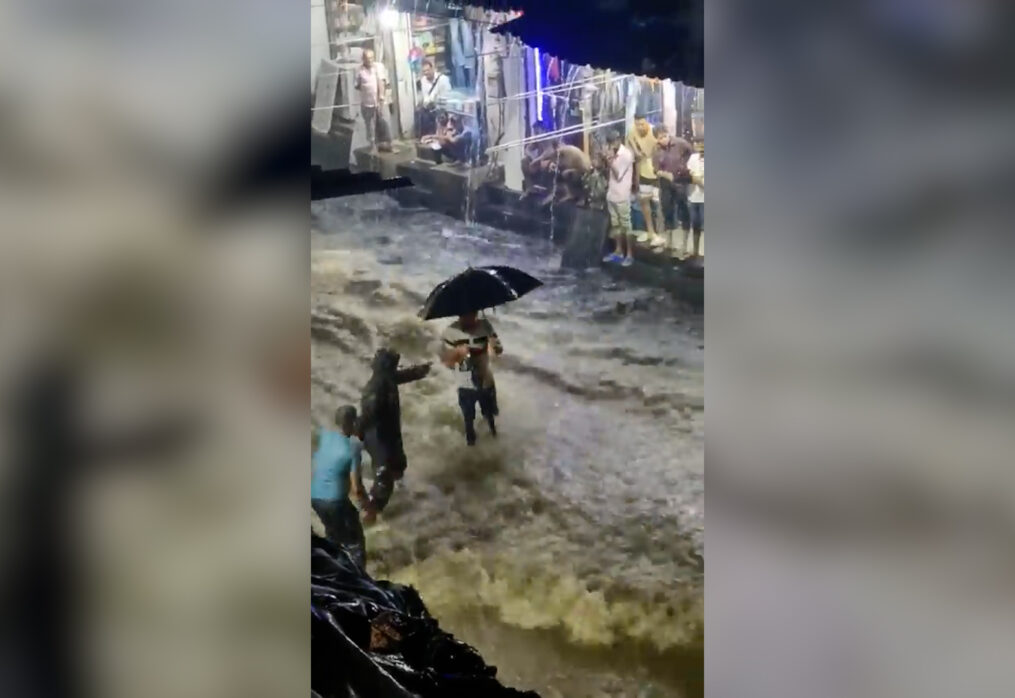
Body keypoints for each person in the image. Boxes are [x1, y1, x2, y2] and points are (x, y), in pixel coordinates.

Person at [358, 348, 431, 523]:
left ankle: (401, 501)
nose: (396, 369)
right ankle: (369, 516)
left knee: (398, 466)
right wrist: (355, 432)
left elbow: (401, 376)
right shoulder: (376, 388)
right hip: (378, 439)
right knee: (384, 479)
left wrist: (420, 371)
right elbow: (367, 417)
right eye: (394, 365)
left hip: (389, 435)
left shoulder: (385, 379)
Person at [312, 406, 368, 568]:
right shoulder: (353, 447)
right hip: (335, 501)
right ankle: (361, 582)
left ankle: (332, 572)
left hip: (315, 498)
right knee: (355, 543)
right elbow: (356, 488)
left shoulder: (325, 436)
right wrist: (366, 504)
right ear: (353, 423)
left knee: (334, 538)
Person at [439, 312, 503, 446]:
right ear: (459, 314)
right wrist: (458, 353)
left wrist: (494, 346)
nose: (468, 317)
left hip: (486, 381)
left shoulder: (485, 325)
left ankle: (496, 446)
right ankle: (471, 451)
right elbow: (446, 362)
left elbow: (498, 349)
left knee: (490, 417)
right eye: (464, 314)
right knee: (469, 422)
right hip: (465, 385)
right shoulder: (450, 332)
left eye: (472, 313)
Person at [652, 125, 693, 256]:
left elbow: (691, 153)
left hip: (680, 184)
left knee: (683, 212)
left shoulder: (680, 143)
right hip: (665, 185)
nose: (663, 139)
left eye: (664, 136)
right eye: (660, 138)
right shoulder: (656, 150)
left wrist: (684, 167)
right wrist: (664, 174)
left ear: (668, 134)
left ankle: (685, 245)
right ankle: (669, 244)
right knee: (667, 212)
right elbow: (655, 169)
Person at [627, 114, 664, 247]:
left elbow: (661, 151)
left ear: (646, 122)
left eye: (642, 124)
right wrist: (636, 177)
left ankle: (661, 234)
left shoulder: (654, 132)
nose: (640, 127)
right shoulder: (632, 132)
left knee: (658, 204)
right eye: (637, 124)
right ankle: (650, 232)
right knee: (644, 203)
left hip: (657, 173)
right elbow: (633, 152)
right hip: (643, 172)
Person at [602, 129, 636, 267]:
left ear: (618, 140)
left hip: (622, 195)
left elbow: (618, 174)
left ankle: (629, 255)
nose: (611, 145)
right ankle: (618, 251)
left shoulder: (626, 155)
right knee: (615, 226)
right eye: (609, 142)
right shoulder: (613, 153)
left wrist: (609, 160)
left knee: (626, 226)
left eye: (613, 142)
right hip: (612, 194)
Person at [356, 49, 392, 153]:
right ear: (363, 59)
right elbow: (357, 85)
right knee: (370, 124)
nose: (370, 60)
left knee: (385, 121)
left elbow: (382, 82)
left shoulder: (379, 67)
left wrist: (381, 98)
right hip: (367, 102)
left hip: (381, 101)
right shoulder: (359, 70)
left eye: (371, 58)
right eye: (367, 58)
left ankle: (389, 144)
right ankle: (373, 145)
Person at [542, 139, 592, 205]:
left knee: (567, 173)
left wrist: (569, 170)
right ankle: (562, 193)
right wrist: (551, 164)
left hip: (583, 173)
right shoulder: (560, 154)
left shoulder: (571, 151)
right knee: (556, 172)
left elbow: (585, 168)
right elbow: (549, 158)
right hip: (573, 172)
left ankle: (580, 196)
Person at [416, 59, 451, 136]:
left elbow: (447, 96)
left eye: (428, 70)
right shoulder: (423, 80)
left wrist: (435, 101)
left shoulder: (443, 79)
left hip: (441, 107)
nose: (426, 73)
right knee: (421, 113)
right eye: (424, 71)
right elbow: (425, 96)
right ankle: (425, 137)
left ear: (432, 69)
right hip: (430, 108)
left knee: (439, 115)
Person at [521, 124, 553, 197]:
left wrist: (537, 160)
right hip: (539, 163)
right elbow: (527, 149)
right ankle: (530, 187)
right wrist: (532, 158)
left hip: (551, 161)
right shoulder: (537, 140)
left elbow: (549, 152)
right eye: (535, 133)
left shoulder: (550, 139)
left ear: (543, 131)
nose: (536, 135)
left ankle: (550, 193)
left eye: (538, 132)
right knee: (524, 161)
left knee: (548, 164)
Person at [685, 140, 705, 259]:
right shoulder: (693, 158)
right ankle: (695, 252)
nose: (699, 146)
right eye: (698, 143)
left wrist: (699, 181)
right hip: (693, 197)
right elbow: (687, 174)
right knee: (695, 226)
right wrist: (693, 178)